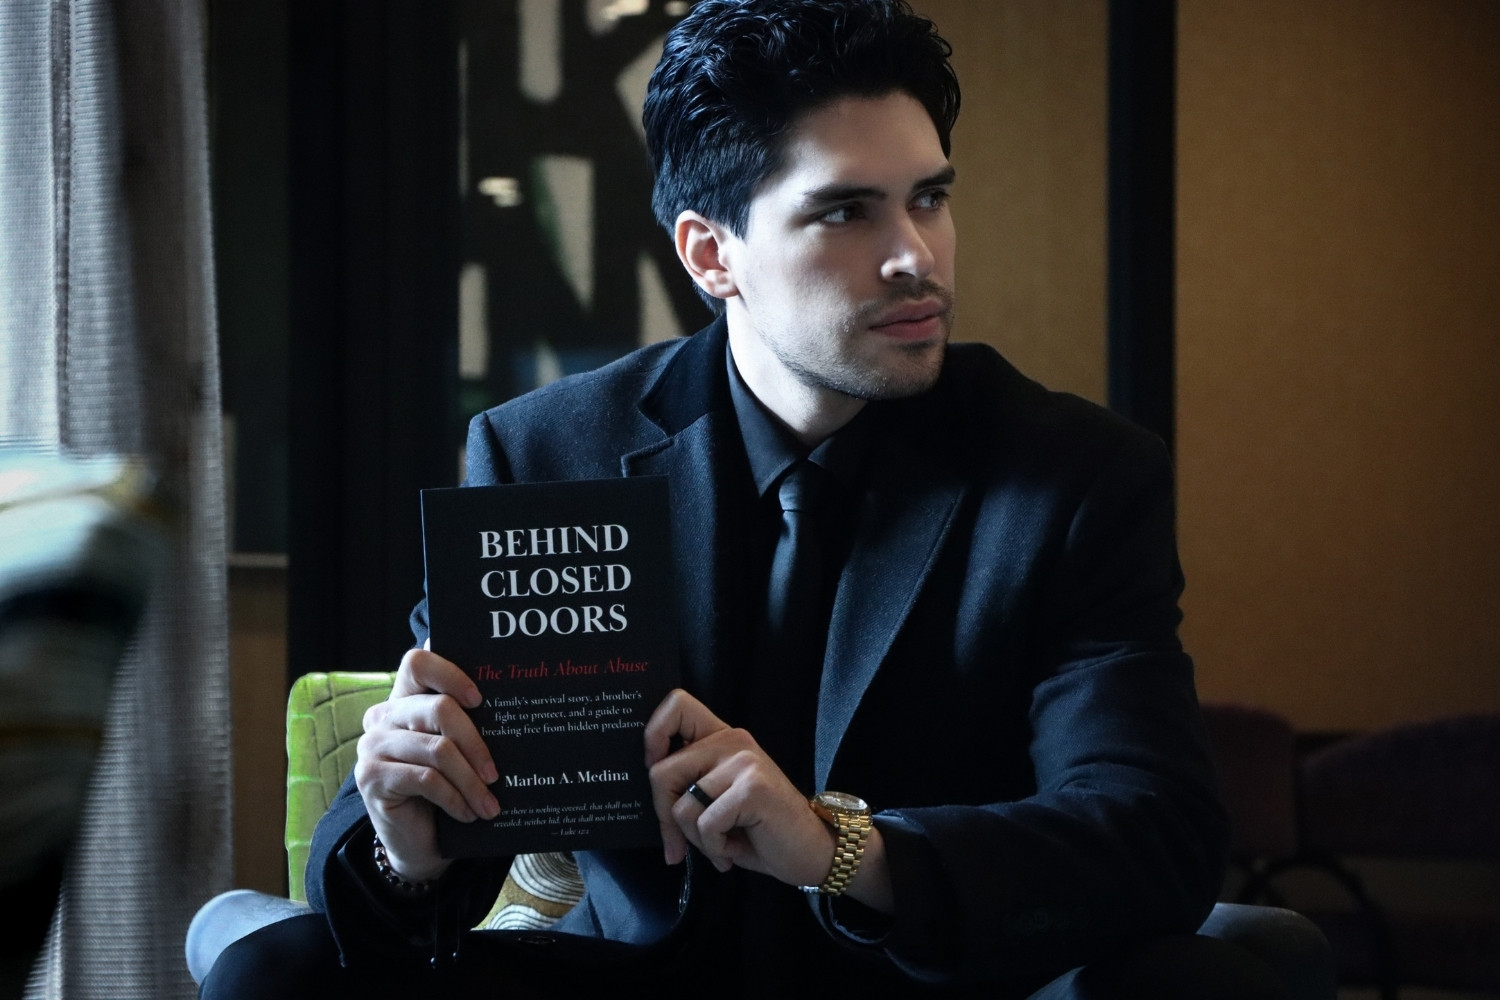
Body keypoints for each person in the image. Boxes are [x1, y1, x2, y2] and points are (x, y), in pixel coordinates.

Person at [201, 1, 1291, 996]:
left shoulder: (1074, 476)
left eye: (929, 198)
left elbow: (1155, 830)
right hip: (644, 975)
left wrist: (838, 847)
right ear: (710, 253)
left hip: (930, 976)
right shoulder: (547, 451)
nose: (916, 256)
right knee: (282, 970)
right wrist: (405, 835)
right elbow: (426, 840)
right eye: (846, 213)